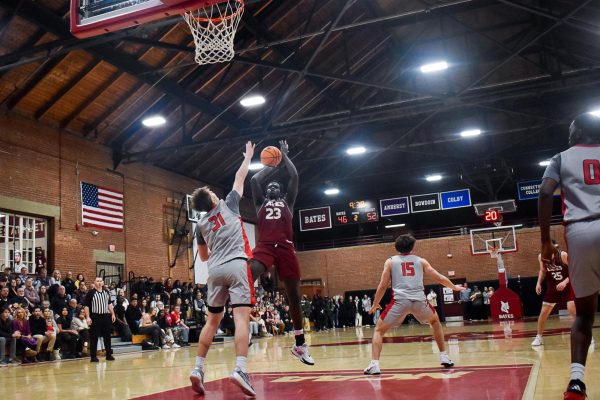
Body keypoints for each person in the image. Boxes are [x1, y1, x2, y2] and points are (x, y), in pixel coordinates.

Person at [538, 112, 600, 400]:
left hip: (580, 232)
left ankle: (577, 383)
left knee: (584, 315)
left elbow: (544, 192)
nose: (569, 134)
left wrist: (544, 242)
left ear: (580, 132)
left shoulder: (561, 157)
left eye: (572, 129)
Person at [189, 141, 256, 396]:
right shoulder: (230, 203)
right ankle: (240, 368)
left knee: (212, 321)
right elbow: (240, 177)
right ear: (214, 198)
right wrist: (247, 156)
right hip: (237, 264)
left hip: (214, 271)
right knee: (241, 318)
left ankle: (198, 368)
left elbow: (204, 258)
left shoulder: (201, 225)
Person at [249, 140, 314, 366]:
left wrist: (284, 157)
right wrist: (271, 165)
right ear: (267, 192)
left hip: (286, 247)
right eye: (271, 186)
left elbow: (294, 177)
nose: (273, 186)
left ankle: (300, 344)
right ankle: (243, 323)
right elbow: (254, 179)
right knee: (248, 273)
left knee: (294, 296)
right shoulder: (260, 204)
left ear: (282, 191)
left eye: (277, 185)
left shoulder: (289, 201)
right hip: (265, 246)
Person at [364, 234, 464, 375]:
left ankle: (374, 364)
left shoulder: (390, 261)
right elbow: (439, 277)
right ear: (412, 247)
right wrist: (454, 287)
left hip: (399, 302)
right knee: (435, 321)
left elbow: (382, 286)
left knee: (379, 330)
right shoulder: (421, 261)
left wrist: (375, 304)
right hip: (419, 301)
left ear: (396, 247)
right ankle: (444, 356)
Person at [532, 241, 577, 346]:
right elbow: (543, 271)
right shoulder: (541, 257)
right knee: (543, 312)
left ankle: (587, 335)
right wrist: (538, 283)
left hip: (568, 284)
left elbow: (574, 271)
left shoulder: (563, 255)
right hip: (553, 286)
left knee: (572, 308)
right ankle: (539, 337)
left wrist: (565, 282)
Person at [83, 277, 116, 362]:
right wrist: (88, 317)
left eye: (100, 281)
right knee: (94, 337)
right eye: (97, 281)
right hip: (95, 316)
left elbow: (109, 304)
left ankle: (108, 355)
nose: (99, 283)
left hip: (105, 316)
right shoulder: (90, 293)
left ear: (103, 282)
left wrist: (112, 313)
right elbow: (86, 306)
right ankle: (93, 356)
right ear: (94, 283)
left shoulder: (106, 292)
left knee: (107, 336)